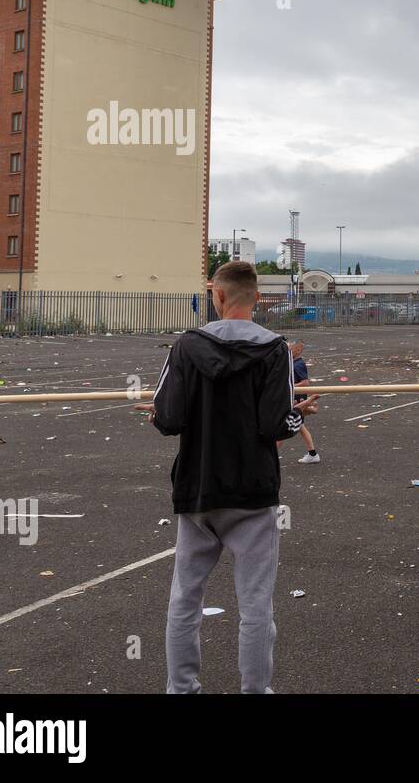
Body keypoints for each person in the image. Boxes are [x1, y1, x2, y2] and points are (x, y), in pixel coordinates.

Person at [145, 261, 320, 693]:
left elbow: (169, 418)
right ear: (256, 298)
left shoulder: (185, 347)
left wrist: (155, 414)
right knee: (256, 604)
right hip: (252, 492)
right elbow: (273, 425)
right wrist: (297, 417)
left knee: (185, 599)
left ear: (217, 296)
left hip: (198, 488)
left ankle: (180, 689)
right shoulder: (275, 348)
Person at [287, 340, 320, 463]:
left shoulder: (299, 364)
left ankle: (266, 459)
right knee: (299, 425)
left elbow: (305, 383)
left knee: (284, 425)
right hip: (294, 397)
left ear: (298, 350)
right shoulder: (292, 362)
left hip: (297, 398)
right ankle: (312, 454)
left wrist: (290, 386)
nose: (288, 351)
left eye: (290, 349)